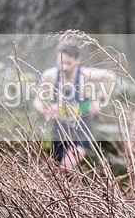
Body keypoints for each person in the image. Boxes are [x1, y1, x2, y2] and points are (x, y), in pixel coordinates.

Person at [32, 41, 115, 171]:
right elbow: (37, 101)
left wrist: (98, 100)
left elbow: (110, 76)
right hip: (59, 131)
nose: (64, 67)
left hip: (81, 131)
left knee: (65, 168)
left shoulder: (85, 74)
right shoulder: (50, 75)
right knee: (60, 172)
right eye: (61, 62)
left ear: (78, 60)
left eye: (68, 63)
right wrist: (46, 110)